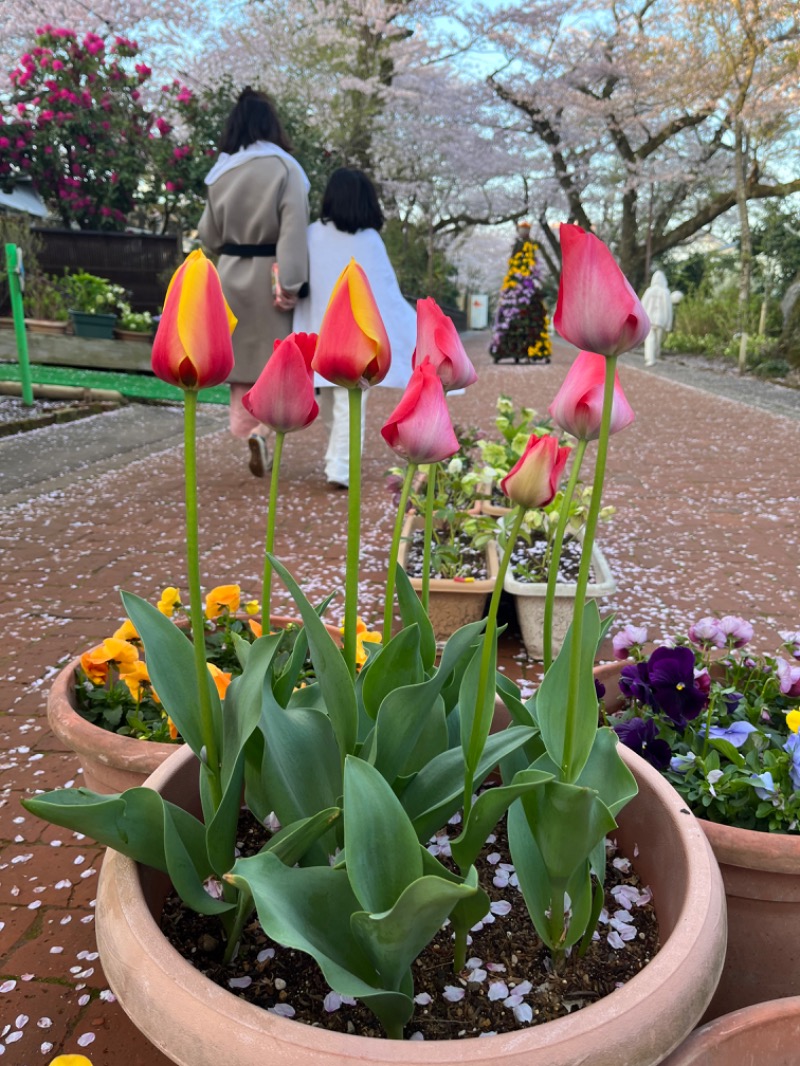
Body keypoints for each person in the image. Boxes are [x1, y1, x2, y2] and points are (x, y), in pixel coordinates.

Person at [197, 87, 310, 477]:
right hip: (270, 276)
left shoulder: (221, 172)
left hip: (229, 272)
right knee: (273, 362)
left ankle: (243, 428)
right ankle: (264, 430)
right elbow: (294, 230)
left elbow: (208, 235)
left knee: (240, 360)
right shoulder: (285, 169)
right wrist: (293, 283)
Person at [293, 167, 416, 489]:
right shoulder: (370, 241)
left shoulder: (309, 235)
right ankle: (341, 466)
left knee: (332, 403)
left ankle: (339, 465)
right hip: (360, 338)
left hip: (319, 336)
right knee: (350, 403)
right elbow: (386, 295)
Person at [641, 270, 674, 366]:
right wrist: (669, 324)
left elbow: (642, 305)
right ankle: (654, 356)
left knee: (650, 340)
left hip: (649, 319)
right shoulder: (666, 292)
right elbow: (669, 310)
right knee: (657, 340)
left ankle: (650, 358)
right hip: (661, 321)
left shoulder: (649, 291)